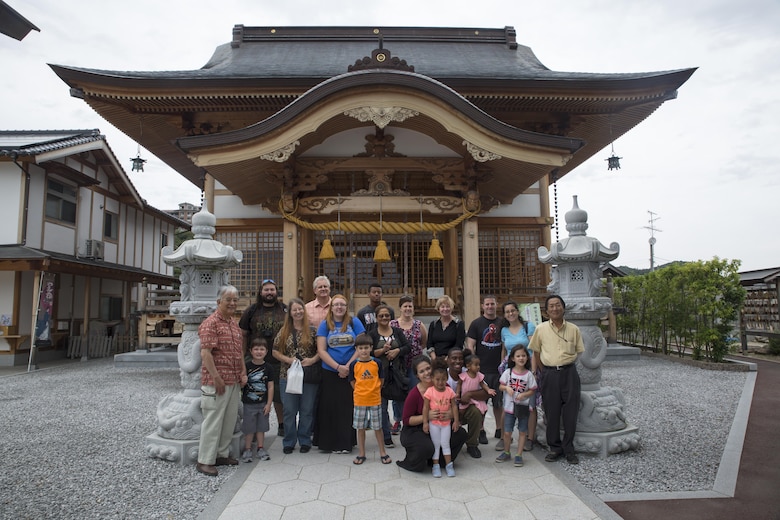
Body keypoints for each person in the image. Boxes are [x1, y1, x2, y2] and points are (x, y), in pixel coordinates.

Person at [196, 285, 247, 477]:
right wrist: (216, 377)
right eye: (228, 300)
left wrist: (243, 370)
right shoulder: (211, 323)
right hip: (216, 382)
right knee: (213, 421)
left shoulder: (234, 323)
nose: (233, 303)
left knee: (228, 420)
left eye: (235, 300)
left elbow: (238, 351)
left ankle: (221, 454)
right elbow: (205, 353)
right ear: (219, 302)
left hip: (233, 380)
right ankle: (205, 460)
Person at [529, 294, 584, 465]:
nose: (555, 308)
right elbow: (536, 351)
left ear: (563, 307)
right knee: (551, 412)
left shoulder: (574, 329)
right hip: (549, 374)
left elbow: (579, 350)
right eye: (551, 306)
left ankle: (569, 448)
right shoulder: (541, 329)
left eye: (558, 305)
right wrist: (544, 372)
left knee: (570, 412)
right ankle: (555, 447)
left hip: (569, 373)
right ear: (546, 311)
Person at [396, 356, 468, 473]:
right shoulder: (414, 394)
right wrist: (426, 416)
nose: (426, 373)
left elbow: (453, 405)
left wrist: (450, 414)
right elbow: (406, 420)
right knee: (426, 447)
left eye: (428, 368)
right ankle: (413, 460)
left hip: (439, 425)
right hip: (416, 429)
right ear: (417, 375)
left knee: (461, 434)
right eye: (422, 371)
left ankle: (440, 461)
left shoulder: (443, 385)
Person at [316, 294, 365, 453]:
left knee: (347, 407)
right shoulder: (325, 325)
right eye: (336, 304)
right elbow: (321, 350)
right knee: (329, 407)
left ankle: (345, 443)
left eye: (342, 305)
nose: (339, 307)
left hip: (350, 371)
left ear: (346, 307)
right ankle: (328, 443)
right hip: (330, 371)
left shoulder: (354, 322)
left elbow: (361, 346)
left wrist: (348, 367)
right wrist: (338, 367)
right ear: (332, 307)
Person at [239, 279, 287, 436]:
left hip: (278, 358)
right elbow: (244, 334)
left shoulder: (284, 309)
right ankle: (251, 428)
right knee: (253, 393)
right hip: (255, 359)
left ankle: (281, 424)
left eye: (272, 290)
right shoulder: (251, 311)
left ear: (276, 292)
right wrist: (243, 356)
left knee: (279, 395)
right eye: (266, 290)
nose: (269, 293)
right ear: (260, 292)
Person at [273, 298, 319, 454]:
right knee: (289, 410)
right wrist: (289, 360)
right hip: (288, 375)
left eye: (300, 309)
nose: (298, 312)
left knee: (307, 409)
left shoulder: (312, 331)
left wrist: (312, 360)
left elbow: (321, 351)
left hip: (308, 375)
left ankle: (305, 439)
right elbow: (275, 351)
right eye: (295, 310)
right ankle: (289, 440)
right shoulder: (284, 331)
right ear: (290, 313)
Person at [367, 304, 411, 449]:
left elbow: (407, 347)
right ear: (376, 318)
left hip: (398, 374)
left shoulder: (397, 332)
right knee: (382, 407)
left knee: (402, 405)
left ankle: (408, 434)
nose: (384, 318)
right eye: (381, 316)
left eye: (387, 315)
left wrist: (396, 351)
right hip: (380, 376)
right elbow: (368, 352)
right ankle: (386, 436)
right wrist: (382, 351)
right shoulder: (372, 334)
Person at [466, 295, 505, 450]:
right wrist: (473, 368)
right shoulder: (476, 324)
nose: (490, 306)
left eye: (492, 304)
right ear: (483, 306)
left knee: (498, 402)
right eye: (487, 304)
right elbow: (471, 346)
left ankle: (499, 428)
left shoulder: (502, 323)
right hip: (482, 370)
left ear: (496, 305)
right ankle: (481, 430)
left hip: (499, 369)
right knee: (481, 402)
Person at [349, 334, 392, 465]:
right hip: (360, 400)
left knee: (378, 427)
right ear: (356, 349)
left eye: (366, 347)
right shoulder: (354, 365)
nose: (363, 350)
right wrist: (360, 391)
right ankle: (362, 453)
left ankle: (382, 452)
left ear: (371, 348)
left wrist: (374, 390)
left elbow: (381, 379)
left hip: (375, 400)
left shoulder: (376, 363)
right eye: (360, 348)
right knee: (360, 428)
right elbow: (352, 381)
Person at [500, 301, 538, 451]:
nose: (511, 314)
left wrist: (534, 371)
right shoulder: (504, 330)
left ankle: (529, 438)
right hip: (511, 370)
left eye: (513, 310)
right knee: (508, 403)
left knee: (530, 404)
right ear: (504, 314)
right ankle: (505, 437)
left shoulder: (528, 327)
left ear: (518, 311)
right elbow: (504, 350)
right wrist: (501, 369)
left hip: (527, 369)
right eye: (507, 311)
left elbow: (534, 350)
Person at [389, 295, 427, 434]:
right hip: (398, 364)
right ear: (400, 308)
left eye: (410, 306)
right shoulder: (393, 324)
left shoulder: (419, 324)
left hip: (414, 364)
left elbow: (423, 343)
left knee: (413, 392)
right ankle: (398, 419)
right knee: (398, 393)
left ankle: (412, 418)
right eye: (405, 306)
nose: (407, 308)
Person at [496, 345, 537, 467]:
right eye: (518, 356)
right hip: (509, 408)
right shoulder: (508, 373)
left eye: (524, 356)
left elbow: (532, 390)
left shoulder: (529, 374)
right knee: (507, 432)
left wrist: (524, 394)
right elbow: (500, 386)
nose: (521, 358)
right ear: (513, 358)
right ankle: (507, 451)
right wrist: (506, 388)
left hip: (523, 407)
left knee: (523, 431)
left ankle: (519, 455)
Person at [446, 348, 487, 458]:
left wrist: (469, 394)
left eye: (460, 359)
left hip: (465, 408)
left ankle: (472, 444)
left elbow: (486, 392)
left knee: (475, 411)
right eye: (454, 358)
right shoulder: (443, 376)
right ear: (448, 360)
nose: (458, 361)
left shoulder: (470, 372)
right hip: (447, 412)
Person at [241, 338, 275, 463]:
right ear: (251, 351)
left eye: (262, 349)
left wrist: (269, 403)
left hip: (263, 403)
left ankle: (261, 447)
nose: (259, 352)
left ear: (266, 351)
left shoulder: (268, 368)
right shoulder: (247, 366)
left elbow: (270, 386)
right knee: (249, 428)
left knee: (261, 427)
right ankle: (248, 448)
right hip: (248, 403)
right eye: (256, 349)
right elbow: (241, 384)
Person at [423, 364, 460, 477]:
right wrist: (425, 422)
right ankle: (436, 466)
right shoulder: (429, 391)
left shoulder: (449, 391)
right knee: (436, 444)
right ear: (433, 379)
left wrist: (456, 421)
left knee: (445, 443)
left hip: (446, 424)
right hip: (434, 424)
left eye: (443, 379)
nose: (440, 382)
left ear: (447, 379)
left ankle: (449, 465)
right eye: (437, 379)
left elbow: (454, 406)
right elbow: (425, 408)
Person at [455, 353, 496, 455]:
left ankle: (472, 443)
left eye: (479, 365)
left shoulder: (479, 376)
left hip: (471, 401)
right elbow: (459, 385)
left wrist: (489, 390)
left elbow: (483, 385)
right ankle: (458, 424)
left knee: (477, 412)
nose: (478, 367)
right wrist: (457, 393)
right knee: (461, 411)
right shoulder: (463, 376)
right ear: (468, 366)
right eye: (476, 365)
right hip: (455, 404)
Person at [426, 295, 466, 360]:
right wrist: (434, 358)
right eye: (442, 307)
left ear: (451, 308)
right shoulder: (434, 324)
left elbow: (459, 345)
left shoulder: (458, 324)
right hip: (436, 360)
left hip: (452, 359)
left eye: (448, 306)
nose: (445, 309)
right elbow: (429, 344)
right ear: (438, 308)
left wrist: (448, 358)